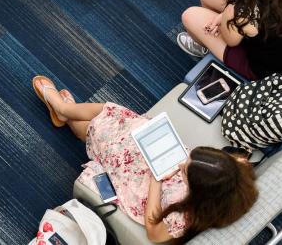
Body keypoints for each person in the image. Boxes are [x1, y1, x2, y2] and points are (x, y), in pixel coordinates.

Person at [33, 76, 258, 242]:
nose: (182, 164)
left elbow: (154, 232)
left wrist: (156, 180)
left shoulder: (187, 215)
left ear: (199, 188)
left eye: (185, 171)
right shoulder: (236, 173)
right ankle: (67, 111)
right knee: (122, 119)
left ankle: (65, 110)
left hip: (149, 186)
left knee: (106, 136)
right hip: (161, 162)